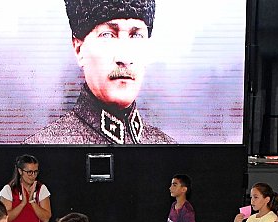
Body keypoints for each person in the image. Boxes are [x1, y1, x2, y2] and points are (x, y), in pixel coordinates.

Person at [26, 0, 173, 144]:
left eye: (136, 35)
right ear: (79, 49)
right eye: (107, 35)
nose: (125, 58)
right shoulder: (43, 149)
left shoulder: (168, 149)